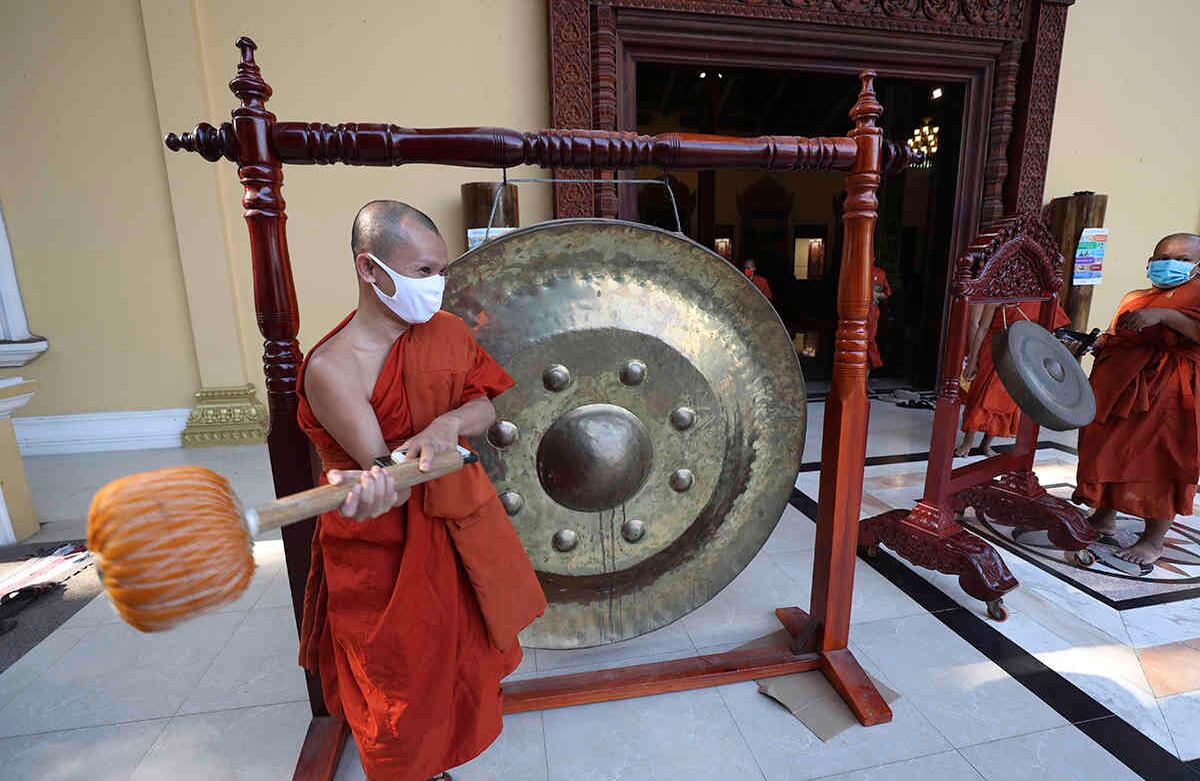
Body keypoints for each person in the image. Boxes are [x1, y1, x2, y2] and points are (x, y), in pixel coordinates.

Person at [295, 200, 546, 780]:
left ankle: (439, 764)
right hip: (384, 543)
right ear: (369, 268)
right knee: (399, 680)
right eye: (422, 271)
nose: (436, 285)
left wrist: (448, 423)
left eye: (441, 270)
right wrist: (380, 483)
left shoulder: (447, 332)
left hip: (457, 524)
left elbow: (484, 405)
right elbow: (387, 475)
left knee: (460, 659)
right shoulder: (333, 368)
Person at [1074, 233, 1200, 566]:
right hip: (1120, 386)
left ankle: (1153, 539)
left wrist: (1166, 316)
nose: (1169, 264)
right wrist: (1094, 343)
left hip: (1171, 392)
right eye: (1162, 257)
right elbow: (1116, 335)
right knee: (1109, 448)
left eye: (1182, 260)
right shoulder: (1136, 297)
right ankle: (1104, 516)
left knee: (1158, 460)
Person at [955, 299, 1071, 457]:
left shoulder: (1040, 300)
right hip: (992, 350)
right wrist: (973, 359)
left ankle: (986, 444)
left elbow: (1044, 332)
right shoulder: (999, 299)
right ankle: (967, 442)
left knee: (1007, 399)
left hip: (1018, 352)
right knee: (981, 397)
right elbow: (982, 329)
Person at [867, 264, 892, 369]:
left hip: (872, 310)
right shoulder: (856, 270)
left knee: (869, 338)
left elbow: (887, 293)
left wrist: (875, 294)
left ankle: (873, 363)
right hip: (854, 308)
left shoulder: (879, 273)